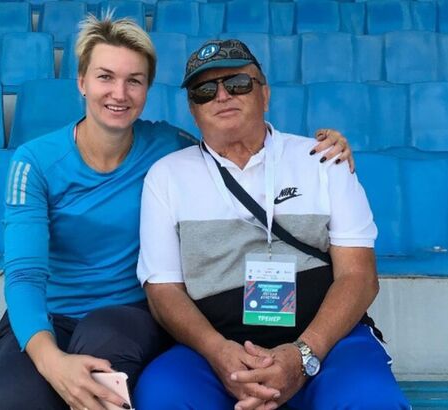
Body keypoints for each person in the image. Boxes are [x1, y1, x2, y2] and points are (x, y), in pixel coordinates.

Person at [0, 15, 355, 410]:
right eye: (105, 77)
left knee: (102, 364)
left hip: (128, 315)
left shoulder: (169, 148)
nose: (119, 93)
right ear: (82, 82)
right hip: (48, 316)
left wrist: (326, 150)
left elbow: (235, 148)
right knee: (11, 402)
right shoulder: (34, 162)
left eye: (134, 80)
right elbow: (24, 275)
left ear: (147, 89)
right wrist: (52, 361)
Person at [134, 39, 411, 410]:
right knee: (162, 397)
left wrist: (302, 355)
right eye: (205, 90)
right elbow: (163, 291)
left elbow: (359, 276)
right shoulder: (167, 176)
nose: (222, 96)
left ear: (264, 94)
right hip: (213, 350)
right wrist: (219, 353)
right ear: (192, 109)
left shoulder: (322, 160)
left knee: (370, 401)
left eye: (237, 83)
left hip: (325, 344)